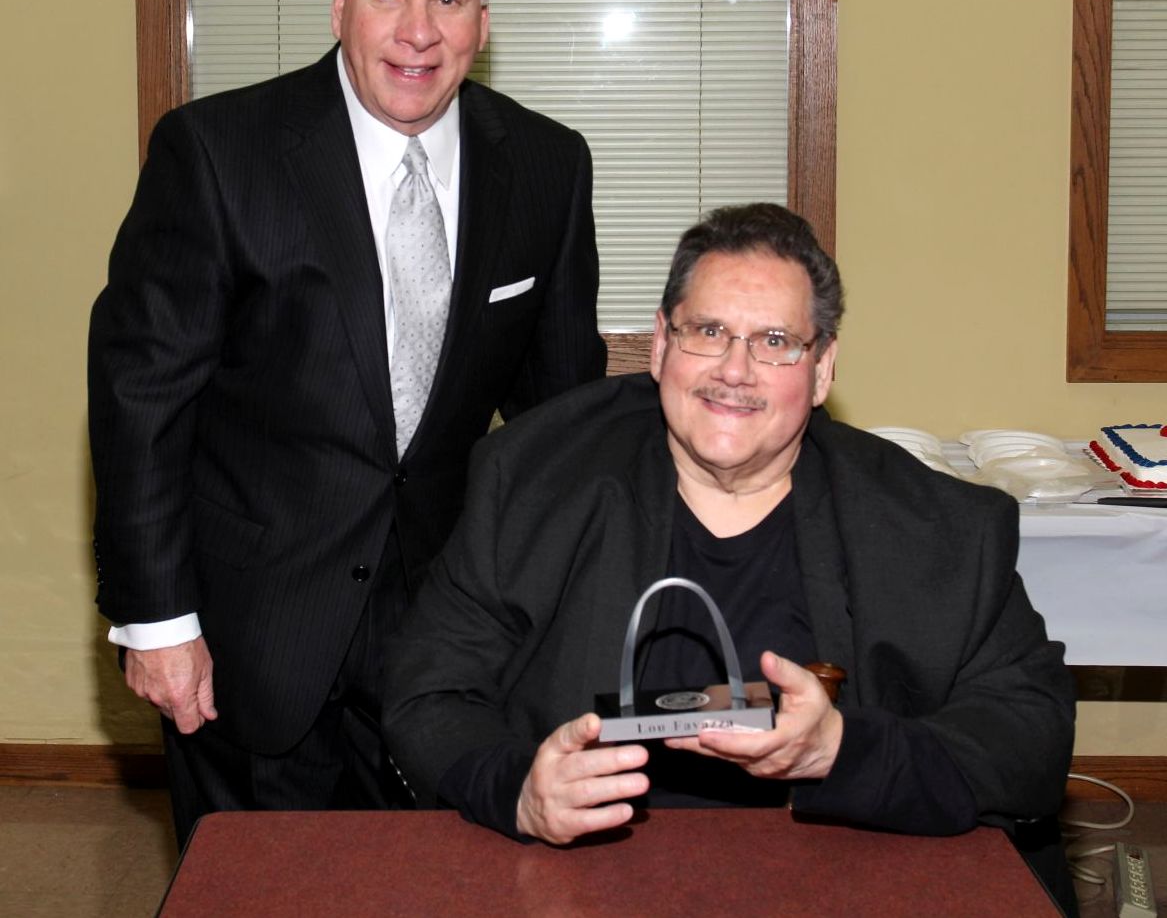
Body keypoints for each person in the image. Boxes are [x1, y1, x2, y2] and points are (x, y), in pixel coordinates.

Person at [88, 0, 607, 845]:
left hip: (448, 644)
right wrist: (156, 621)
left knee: (440, 888)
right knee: (257, 898)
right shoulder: (217, 152)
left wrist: (561, 615)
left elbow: (560, 421)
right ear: (339, 4)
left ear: (482, 21)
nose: (417, 30)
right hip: (248, 640)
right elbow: (139, 397)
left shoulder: (546, 167)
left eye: (446, 0)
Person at [382, 203, 1078, 913]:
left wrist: (840, 750)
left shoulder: (936, 527)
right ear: (659, 344)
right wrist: (520, 790)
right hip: (582, 884)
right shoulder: (531, 479)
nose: (734, 371)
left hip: (843, 879)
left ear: (821, 367)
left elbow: (1029, 734)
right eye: (708, 331)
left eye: (775, 340)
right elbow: (428, 693)